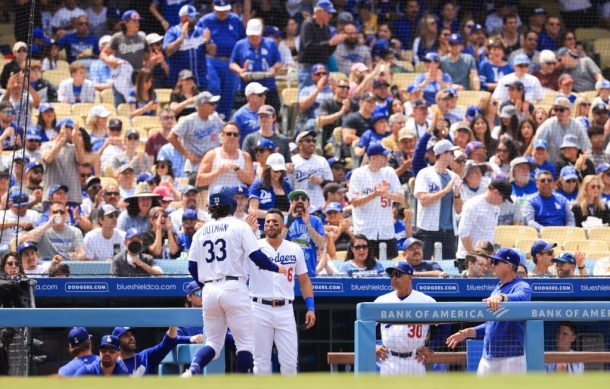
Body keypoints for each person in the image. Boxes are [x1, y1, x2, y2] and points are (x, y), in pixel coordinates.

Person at [183, 189, 286, 376]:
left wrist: (207, 284)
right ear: (231, 206)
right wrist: (276, 268)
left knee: (213, 344)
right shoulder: (239, 226)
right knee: (246, 344)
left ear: (211, 208)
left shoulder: (201, 231)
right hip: (233, 287)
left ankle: (192, 371)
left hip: (210, 290)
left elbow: (191, 267)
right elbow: (257, 256)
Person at [249, 209, 315, 375]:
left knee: (290, 362)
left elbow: (305, 280)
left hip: (285, 309)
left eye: (275, 222)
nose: (270, 225)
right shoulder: (253, 246)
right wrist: (248, 233)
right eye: (268, 222)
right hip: (259, 308)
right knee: (261, 362)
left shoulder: (294, 248)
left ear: (283, 225)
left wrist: (311, 308)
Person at [446, 248, 532, 375]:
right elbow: (492, 324)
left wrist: (502, 297)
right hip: (488, 356)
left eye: (496, 263)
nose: (492, 266)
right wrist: (468, 332)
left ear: (508, 265)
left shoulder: (520, 285)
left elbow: (523, 297)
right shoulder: (497, 288)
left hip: (511, 358)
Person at [374, 262, 435, 375]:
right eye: (392, 275)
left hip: (415, 359)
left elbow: (444, 324)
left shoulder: (426, 301)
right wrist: (372, 345)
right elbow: (364, 326)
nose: (394, 278)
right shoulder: (381, 301)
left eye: (398, 274)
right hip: (389, 359)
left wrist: (431, 347)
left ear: (410, 277)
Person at [349, 143, 402, 259]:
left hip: (386, 229)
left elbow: (401, 198)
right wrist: (374, 194)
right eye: (383, 156)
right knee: (365, 267)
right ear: (372, 158)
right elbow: (355, 202)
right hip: (365, 231)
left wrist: (387, 194)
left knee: (388, 266)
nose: (386, 158)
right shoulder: (358, 174)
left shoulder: (389, 172)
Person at [413, 139, 462, 260]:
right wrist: (445, 191)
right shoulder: (425, 173)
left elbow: (459, 209)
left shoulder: (453, 176)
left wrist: (456, 195)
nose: (454, 156)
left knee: (451, 268)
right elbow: (423, 200)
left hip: (449, 230)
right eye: (451, 153)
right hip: (427, 230)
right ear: (443, 154)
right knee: (422, 264)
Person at [195, 0, 245, 118]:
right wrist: (206, 42)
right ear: (213, 7)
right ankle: (210, 117)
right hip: (212, 60)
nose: (223, 13)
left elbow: (243, 41)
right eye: (219, 10)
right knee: (214, 88)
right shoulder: (205, 21)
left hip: (230, 62)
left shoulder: (235, 20)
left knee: (229, 93)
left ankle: (224, 120)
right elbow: (196, 41)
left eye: (225, 10)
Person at [166, 91, 224, 176]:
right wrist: (187, 154)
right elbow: (171, 137)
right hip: (195, 167)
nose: (214, 106)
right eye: (211, 104)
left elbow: (226, 129)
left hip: (214, 165)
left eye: (214, 103)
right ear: (201, 105)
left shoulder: (215, 118)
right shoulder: (189, 120)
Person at [230, 18, 282, 112]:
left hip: (268, 87)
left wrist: (274, 69)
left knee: (272, 112)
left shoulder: (270, 44)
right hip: (245, 87)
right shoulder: (240, 45)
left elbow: (278, 62)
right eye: (251, 35)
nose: (253, 38)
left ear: (261, 32)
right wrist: (240, 71)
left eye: (256, 35)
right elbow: (232, 63)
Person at [457, 180, 513, 261]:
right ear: (496, 192)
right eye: (504, 198)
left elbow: (490, 234)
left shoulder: (496, 208)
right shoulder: (473, 205)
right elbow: (463, 232)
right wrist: (474, 256)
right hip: (467, 259)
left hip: (486, 259)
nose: (503, 202)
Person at [297, 0, 345, 89]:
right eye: (328, 12)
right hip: (309, 68)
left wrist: (334, 43)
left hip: (323, 68)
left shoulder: (326, 27)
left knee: (323, 98)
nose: (330, 15)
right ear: (318, 12)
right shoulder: (308, 24)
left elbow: (328, 52)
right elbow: (308, 46)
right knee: (306, 97)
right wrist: (329, 43)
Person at [196, 121, 254, 192]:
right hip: (217, 200)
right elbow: (199, 181)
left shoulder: (245, 156)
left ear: (238, 137)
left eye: (235, 134)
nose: (232, 137)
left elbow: (250, 180)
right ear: (222, 135)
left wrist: (237, 169)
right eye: (229, 134)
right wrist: (218, 171)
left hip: (237, 200)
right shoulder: (212, 154)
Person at [163, 5, 209, 89]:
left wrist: (208, 41)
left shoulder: (200, 31)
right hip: (179, 84)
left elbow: (212, 52)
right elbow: (168, 51)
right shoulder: (173, 32)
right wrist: (181, 38)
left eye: (195, 16)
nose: (194, 19)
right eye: (191, 16)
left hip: (200, 81)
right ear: (183, 18)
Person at [534, 97, 591, 165]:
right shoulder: (547, 125)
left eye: (561, 110)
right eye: (556, 109)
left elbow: (586, 148)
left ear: (569, 111)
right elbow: (537, 146)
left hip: (573, 167)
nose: (558, 112)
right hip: (552, 166)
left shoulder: (578, 126)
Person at [284, 189, 326, 278]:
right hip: (287, 274)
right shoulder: (283, 220)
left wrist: (308, 224)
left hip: (309, 273)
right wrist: (288, 222)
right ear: (291, 203)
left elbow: (321, 245)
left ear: (308, 204)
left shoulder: (316, 220)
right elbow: (277, 244)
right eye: (296, 199)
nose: (300, 201)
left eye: (303, 199)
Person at [291, 130, 333, 210]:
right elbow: (288, 187)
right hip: (299, 209)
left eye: (314, 141)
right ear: (299, 144)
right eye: (308, 141)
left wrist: (320, 181)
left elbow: (331, 186)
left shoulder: (322, 161)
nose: (312, 143)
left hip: (319, 208)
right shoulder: (292, 162)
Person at [248, 153, 292, 230]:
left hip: (284, 230)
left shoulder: (286, 186)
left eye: (280, 171)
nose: (278, 174)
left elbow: (292, 209)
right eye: (275, 171)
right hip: (262, 229)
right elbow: (252, 211)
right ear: (268, 169)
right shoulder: (258, 185)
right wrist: (279, 215)